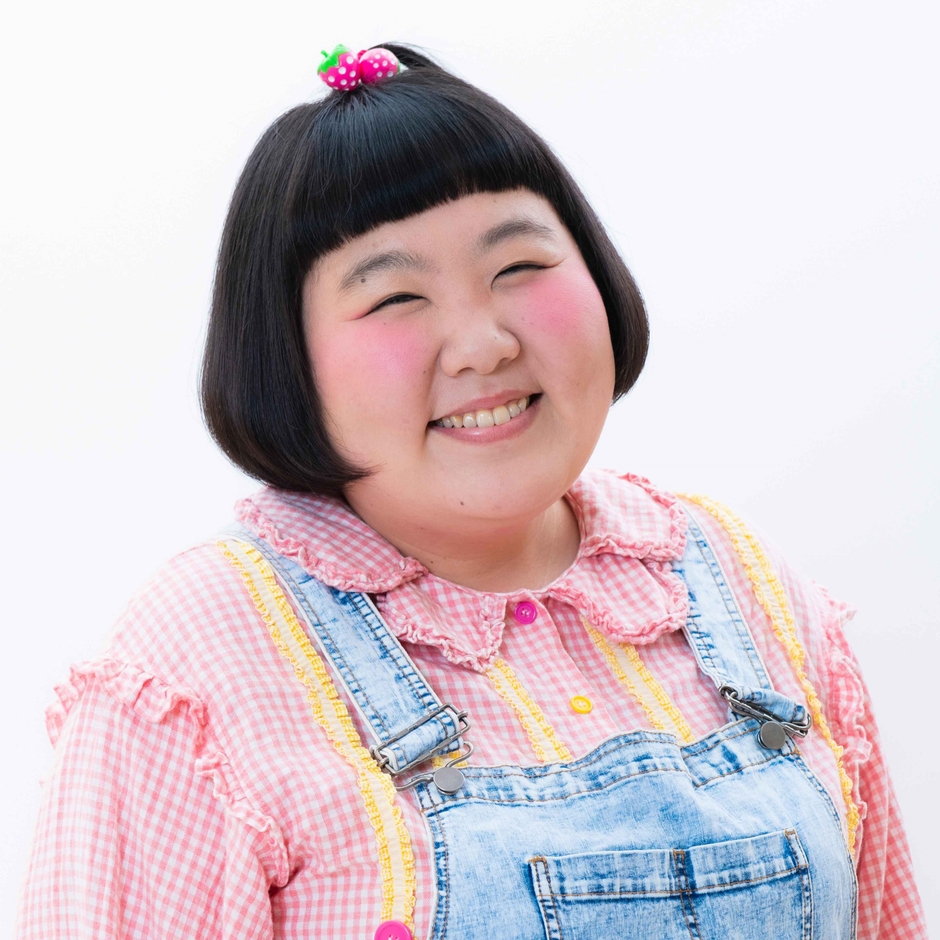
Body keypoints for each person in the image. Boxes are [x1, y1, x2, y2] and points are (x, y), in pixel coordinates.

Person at [16, 43, 927, 940]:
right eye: (395, 298)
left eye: (519, 267)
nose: (485, 343)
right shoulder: (200, 657)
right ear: (285, 358)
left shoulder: (735, 579)